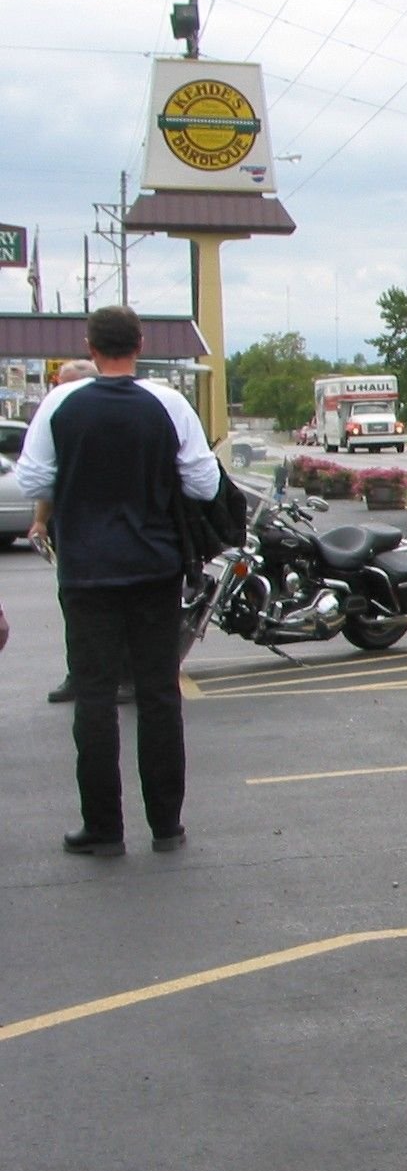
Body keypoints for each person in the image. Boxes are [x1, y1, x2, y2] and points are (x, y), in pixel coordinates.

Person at [18, 307, 221, 857]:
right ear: (140, 343)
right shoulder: (168, 403)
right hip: (154, 564)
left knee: (95, 695)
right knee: (158, 694)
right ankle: (166, 825)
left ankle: (103, 827)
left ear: (89, 344)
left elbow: (30, 478)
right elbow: (203, 483)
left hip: (86, 567)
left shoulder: (60, 403)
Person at [39, 358, 126, 705]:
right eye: (60, 386)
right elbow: (46, 478)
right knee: (74, 607)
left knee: (118, 608)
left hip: (116, 529)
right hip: (73, 530)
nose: (63, 393)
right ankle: (79, 675)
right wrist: (40, 521)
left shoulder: (115, 422)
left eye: (70, 385)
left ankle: (122, 676)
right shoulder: (60, 423)